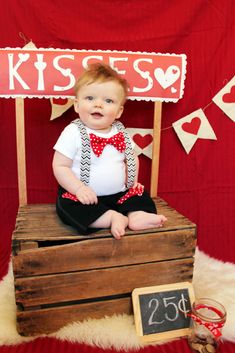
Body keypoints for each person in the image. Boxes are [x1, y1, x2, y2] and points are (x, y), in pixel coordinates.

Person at [52, 62, 167, 240]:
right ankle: (111, 218)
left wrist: (132, 184)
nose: (98, 105)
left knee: (140, 196)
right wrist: (78, 188)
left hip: (119, 193)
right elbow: (60, 165)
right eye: (90, 98)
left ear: (119, 111)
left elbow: (132, 158)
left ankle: (136, 215)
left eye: (108, 101)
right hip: (84, 197)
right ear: (76, 105)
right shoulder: (73, 132)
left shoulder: (121, 132)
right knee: (67, 206)